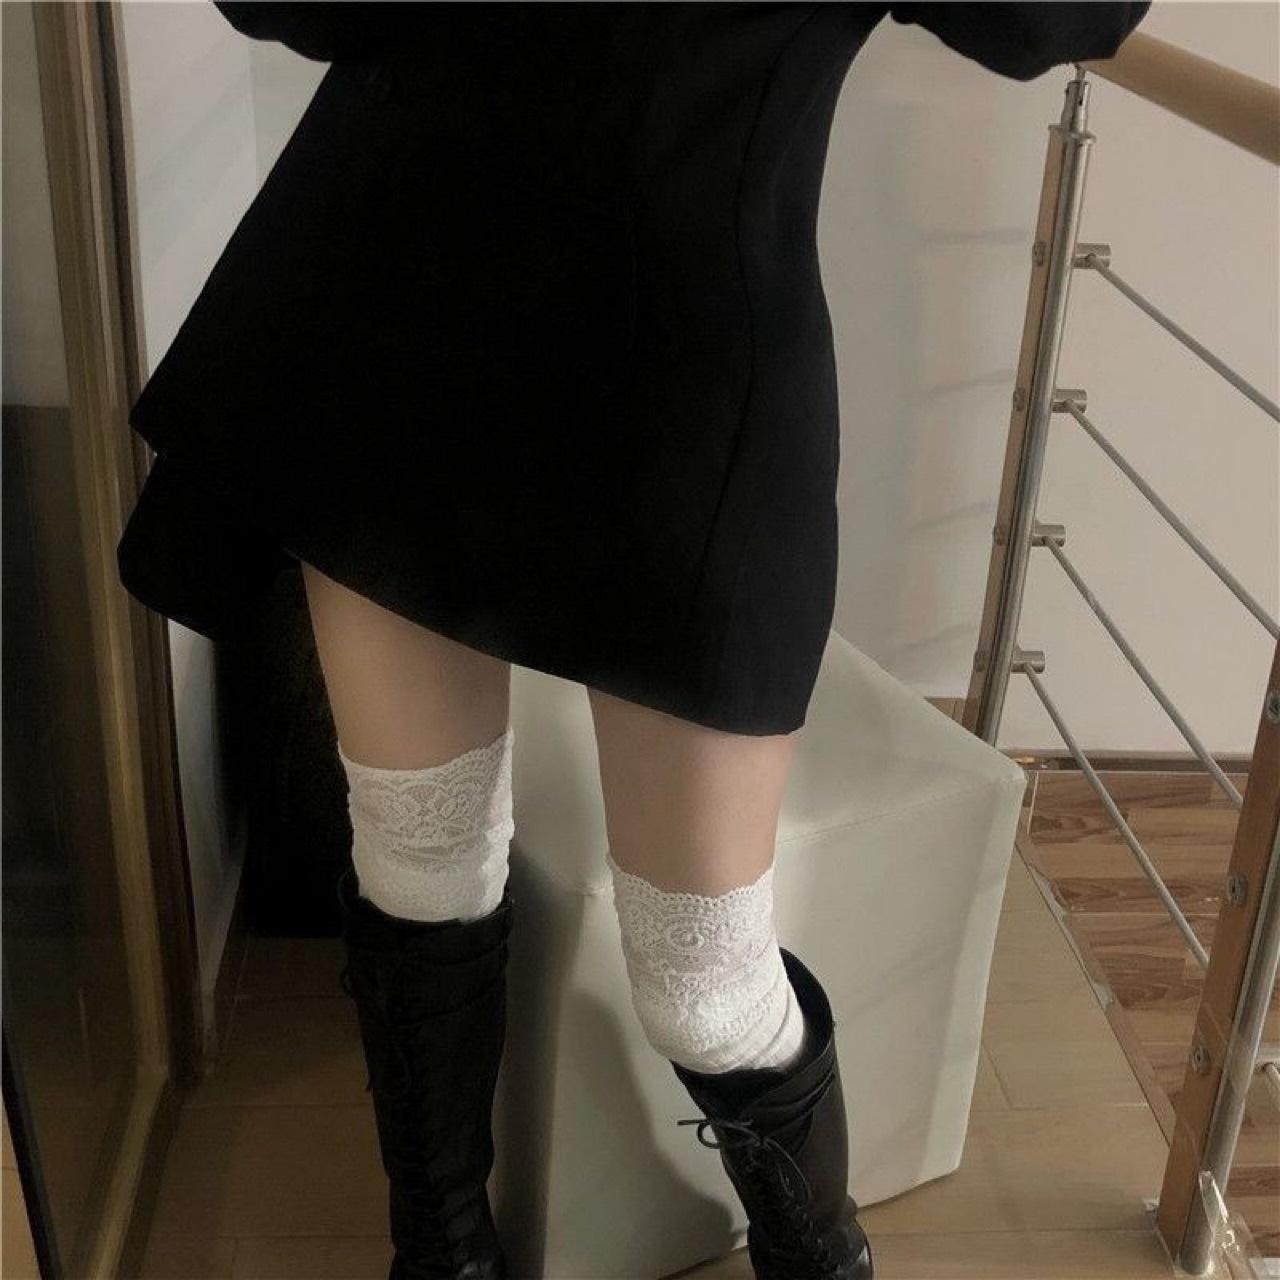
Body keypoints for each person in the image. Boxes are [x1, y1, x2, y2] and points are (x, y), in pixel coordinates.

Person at [117, 4, 1153, 1276]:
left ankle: (816, 1255)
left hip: (683, 390)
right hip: (394, 327)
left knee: (703, 979)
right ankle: (441, 1251)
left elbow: (1051, 16)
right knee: (419, 862)